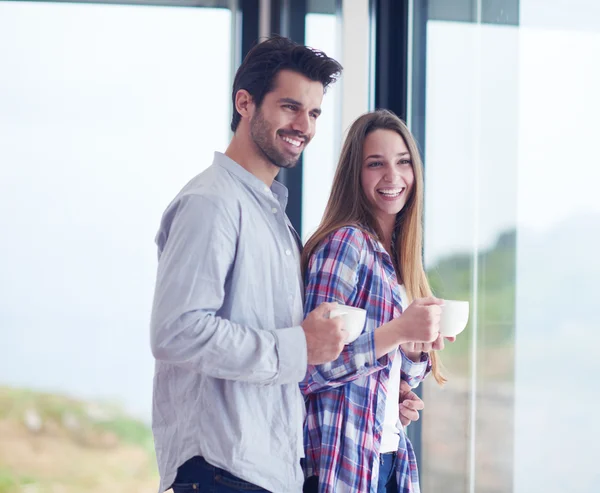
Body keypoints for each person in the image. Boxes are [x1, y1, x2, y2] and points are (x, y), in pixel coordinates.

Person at [149, 36, 344, 493]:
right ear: (245, 103)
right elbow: (177, 331)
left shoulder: (272, 216)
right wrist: (298, 347)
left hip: (265, 473)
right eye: (290, 107)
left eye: (313, 113)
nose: (304, 126)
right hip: (219, 471)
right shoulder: (211, 203)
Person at [300, 109, 455, 493]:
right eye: (376, 164)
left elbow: (392, 369)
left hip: (385, 457)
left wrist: (416, 355)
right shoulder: (345, 244)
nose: (393, 177)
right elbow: (310, 366)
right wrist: (400, 330)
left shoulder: (400, 261)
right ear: (356, 173)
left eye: (403, 162)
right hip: (342, 465)